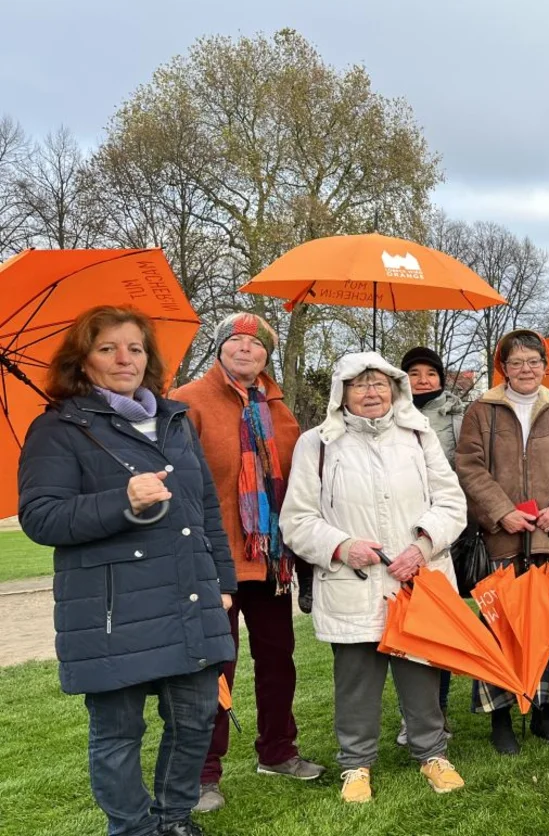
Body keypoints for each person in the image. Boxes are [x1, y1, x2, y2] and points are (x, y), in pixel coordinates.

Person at [18, 305, 235, 836]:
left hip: (188, 596)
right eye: (108, 348)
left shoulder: (174, 420)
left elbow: (204, 505)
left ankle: (175, 816)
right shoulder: (58, 429)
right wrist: (122, 501)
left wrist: (223, 582)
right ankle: (133, 828)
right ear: (83, 361)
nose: (125, 358)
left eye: (135, 348)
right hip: (112, 607)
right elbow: (41, 517)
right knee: (118, 733)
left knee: (195, 720)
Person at [280, 352, 467, 803]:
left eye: (379, 383)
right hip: (354, 583)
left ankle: (432, 754)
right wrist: (343, 547)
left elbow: (451, 503)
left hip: (414, 579)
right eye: (359, 383)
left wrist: (421, 547)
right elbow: (297, 520)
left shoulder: (419, 438)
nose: (370, 392)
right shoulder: (317, 444)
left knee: (421, 670)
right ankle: (356, 765)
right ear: (342, 391)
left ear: (395, 389)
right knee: (356, 680)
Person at [170, 313, 324, 814]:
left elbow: (300, 490)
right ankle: (203, 773)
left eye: (255, 345)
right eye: (235, 341)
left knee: (278, 661)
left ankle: (278, 752)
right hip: (213, 561)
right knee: (215, 669)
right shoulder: (186, 401)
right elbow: (174, 484)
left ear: (265, 357)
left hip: (271, 563)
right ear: (219, 349)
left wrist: (301, 566)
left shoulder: (280, 412)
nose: (245, 350)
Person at [455, 329, 549, 755]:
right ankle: (501, 718)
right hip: (503, 540)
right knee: (502, 632)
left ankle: (544, 714)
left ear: (544, 365)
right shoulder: (482, 411)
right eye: (516, 362)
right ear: (503, 367)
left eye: (533, 362)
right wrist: (501, 511)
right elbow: (469, 466)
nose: (526, 370)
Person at [400, 345, 464, 743]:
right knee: (403, 628)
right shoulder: (388, 414)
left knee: (438, 626)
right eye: (414, 373)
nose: (423, 380)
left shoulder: (457, 415)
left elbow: (464, 466)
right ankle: (413, 714)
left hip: (439, 531)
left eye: (430, 373)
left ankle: (437, 712)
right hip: (395, 532)